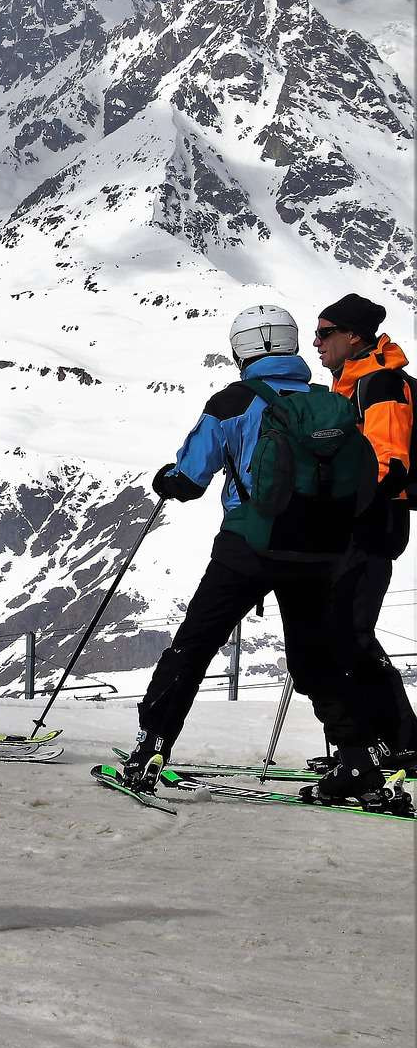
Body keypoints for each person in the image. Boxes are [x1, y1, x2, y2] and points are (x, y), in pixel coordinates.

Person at [126, 305, 392, 808]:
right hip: (318, 550)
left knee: (195, 644)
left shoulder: (233, 400)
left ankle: (151, 749)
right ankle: (357, 759)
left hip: (249, 544)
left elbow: (190, 479)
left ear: (243, 349)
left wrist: (167, 479)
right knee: (317, 656)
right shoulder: (326, 401)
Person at [313, 294, 416, 765]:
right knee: (346, 632)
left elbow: (387, 463)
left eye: (325, 332)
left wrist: (339, 508)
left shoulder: (379, 384)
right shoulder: (354, 384)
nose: (317, 343)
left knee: (349, 632)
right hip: (365, 522)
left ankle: (399, 742)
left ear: (353, 335)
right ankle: (389, 741)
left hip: (373, 522)